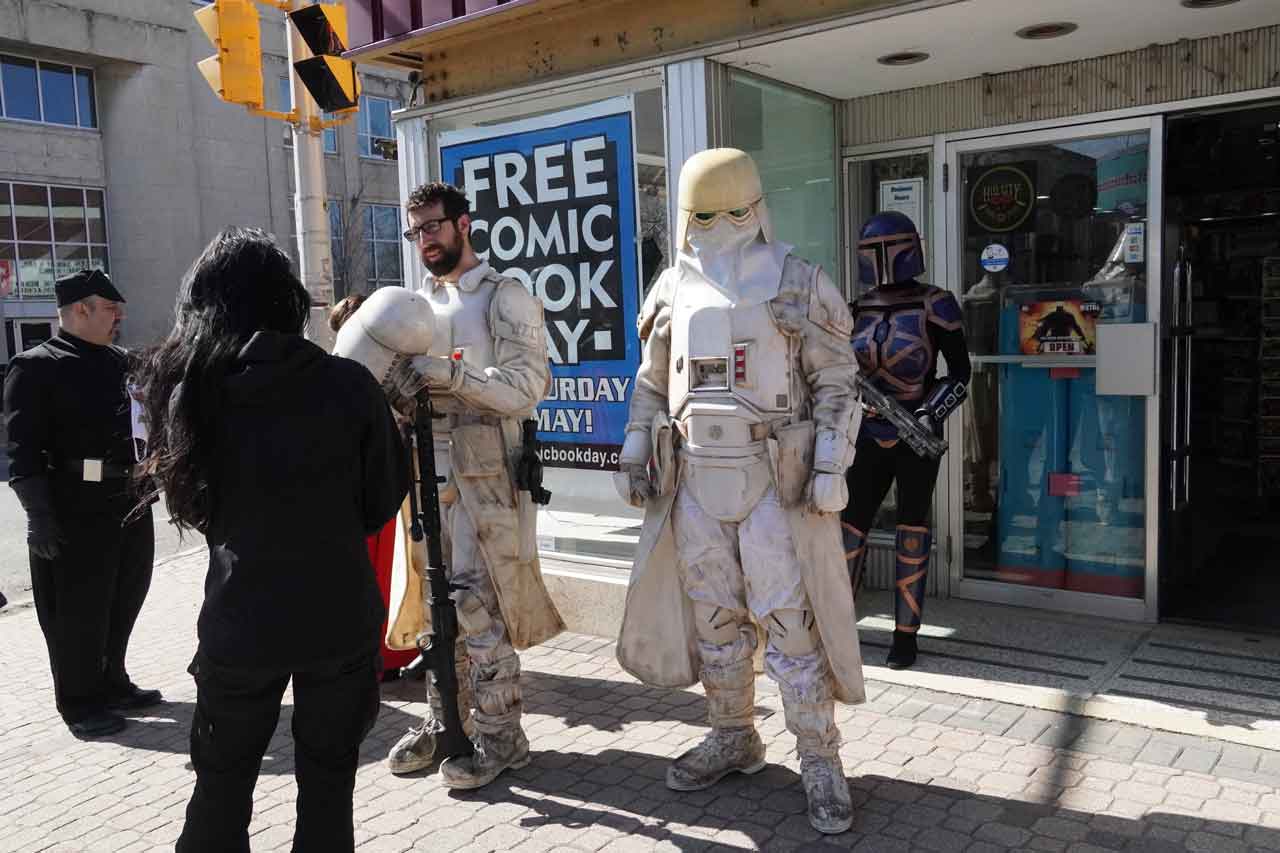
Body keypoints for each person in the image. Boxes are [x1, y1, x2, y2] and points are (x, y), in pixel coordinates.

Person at [129, 228, 408, 853]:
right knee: (329, 792)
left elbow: (192, 507)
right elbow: (384, 496)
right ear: (287, 301)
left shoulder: (198, 392)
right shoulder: (349, 385)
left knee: (220, 790)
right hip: (338, 615)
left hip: (242, 619)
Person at [614, 148, 865, 835]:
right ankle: (734, 734)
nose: (718, 227)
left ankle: (819, 756)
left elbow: (838, 382)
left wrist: (830, 465)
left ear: (755, 209)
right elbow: (651, 380)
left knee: (789, 622)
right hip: (695, 475)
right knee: (714, 617)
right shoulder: (672, 287)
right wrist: (635, 449)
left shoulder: (797, 281)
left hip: (771, 476)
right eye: (704, 215)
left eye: (731, 212)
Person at [383, 181, 563, 790]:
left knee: (478, 609)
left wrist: (454, 377)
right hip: (426, 473)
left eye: (433, 226)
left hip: (484, 473)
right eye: (415, 231)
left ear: (463, 224)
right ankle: (447, 724)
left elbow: (528, 388)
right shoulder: (416, 304)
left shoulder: (504, 296)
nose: (424, 240)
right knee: (435, 612)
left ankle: (502, 737)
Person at [4, 269, 161, 739]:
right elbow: (22, 453)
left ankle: (112, 681)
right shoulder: (36, 366)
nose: (119, 317)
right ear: (80, 310)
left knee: (125, 597)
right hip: (73, 504)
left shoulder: (122, 362)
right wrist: (38, 517)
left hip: (128, 498)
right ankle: (79, 702)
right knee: (77, 610)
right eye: (110, 309)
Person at [842, 211, 971, 670]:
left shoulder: (936, 303)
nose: (880, 258)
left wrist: (929, 412)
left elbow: (960, 373)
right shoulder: (856, 308)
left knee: (912, 529)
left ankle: (905, 636)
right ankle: (838, 625)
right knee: (850, 525)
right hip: (868, 429)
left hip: (916, 430)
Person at [327, 293, 419, 680]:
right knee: (386, 572)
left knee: (384, 572)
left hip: (369, 484)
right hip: (380, 483)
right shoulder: (363, 371)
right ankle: (387, 652)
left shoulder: (344, 372)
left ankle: (387, 652)